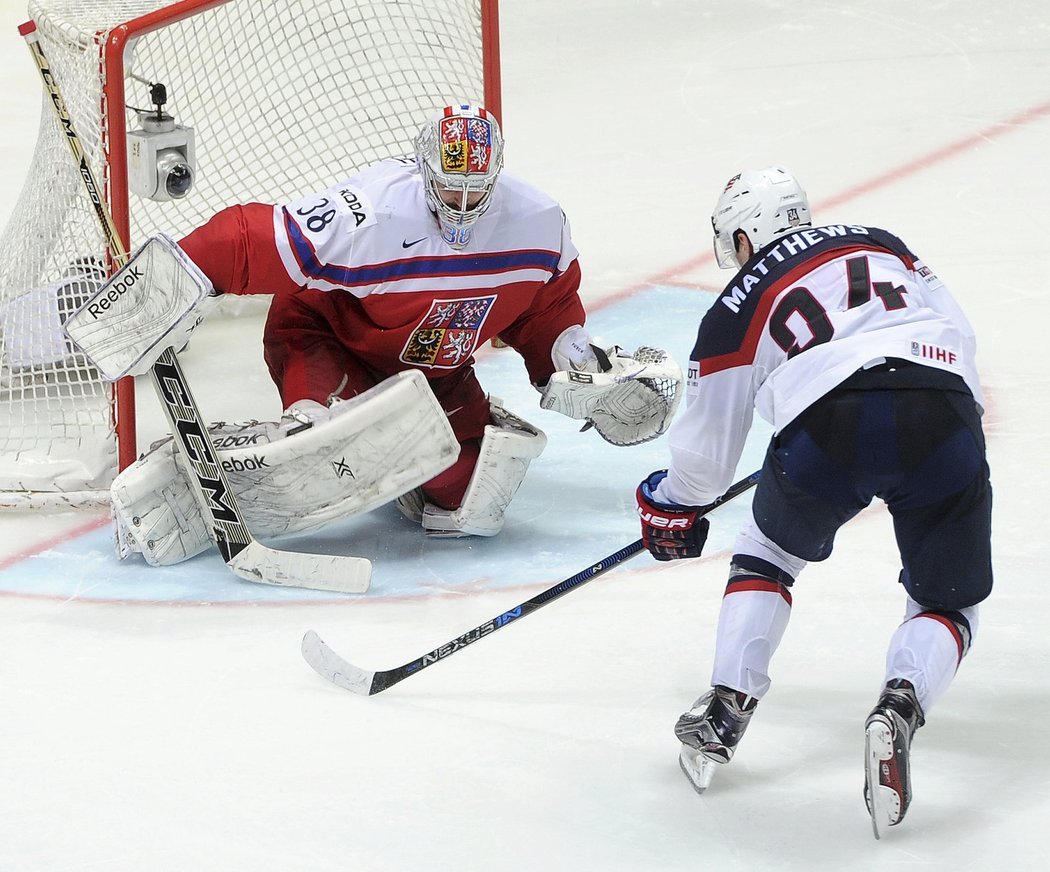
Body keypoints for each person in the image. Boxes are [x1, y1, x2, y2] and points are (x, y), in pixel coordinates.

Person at [103, 103, 681, 566]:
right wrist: (176, 276)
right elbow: (255, 238)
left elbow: (545, 306)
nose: (461, 205)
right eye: (449, 188)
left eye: (474, 190)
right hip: (331, 336)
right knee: (320, 443)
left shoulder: (537, 223)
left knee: (472, 505)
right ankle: (280, 433)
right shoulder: (373, 212)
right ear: (424, 172)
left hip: (436, 372)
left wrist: (574, 356)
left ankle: (401, 461)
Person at [634, 166, 992, 837]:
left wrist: (669, 503)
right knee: (949, 602)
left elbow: (707, 465)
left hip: (832, 426)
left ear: (745, 236)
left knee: (768, 554)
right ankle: (901, 705)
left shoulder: (740, 298)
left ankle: (725, 710)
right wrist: (952, 426)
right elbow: (960, 335)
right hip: (943, 411)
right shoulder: (884, 241)